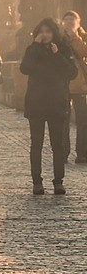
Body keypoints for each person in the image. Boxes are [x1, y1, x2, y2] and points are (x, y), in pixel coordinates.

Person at [20, 19, 77, 195]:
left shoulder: (62, 49)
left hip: (56, 102)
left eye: (48, 31)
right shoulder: (32, 50)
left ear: (54, 33)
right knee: (36, 144)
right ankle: (37, 182)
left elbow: (72, 73)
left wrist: (57, 54)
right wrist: (35, 47)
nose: (45, 35)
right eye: (42, 31)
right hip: (36, 103)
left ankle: (58, 181)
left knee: (57, 145)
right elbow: (25, 68)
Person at [60, 11, 87, 163]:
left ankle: (82, 153)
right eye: (67, 19)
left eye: (73, 19)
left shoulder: (83, 37)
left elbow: (84, 52)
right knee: (63, 120)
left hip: (80, 86)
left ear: (78, 22)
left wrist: (74, 37)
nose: (69, 22)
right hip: (63, 85)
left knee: (83, 121)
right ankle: (62, 152)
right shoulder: (58, 38)